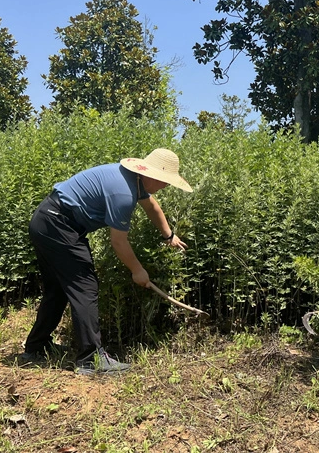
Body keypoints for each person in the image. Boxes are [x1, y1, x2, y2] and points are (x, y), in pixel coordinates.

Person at [23, 148, 193, 375]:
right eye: (165, 182)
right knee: (85, 286)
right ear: (151, 175)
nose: (166, 186)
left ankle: (36, 347)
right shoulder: (123, 193)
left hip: (47, 220)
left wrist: (168, 235)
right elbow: (119, 242)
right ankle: (90, 359)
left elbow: (152, 206)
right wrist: (137, 270)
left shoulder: (132, 178)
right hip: (59, 225)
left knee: (58, 288)